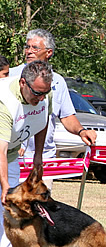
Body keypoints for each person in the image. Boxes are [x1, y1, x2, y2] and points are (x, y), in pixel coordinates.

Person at [9, 29, 97, 189]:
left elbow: (66, 117)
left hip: (43, 159)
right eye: (27, 47)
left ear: (48, 52)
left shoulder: (57, 82)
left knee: (39, 210)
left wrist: (81, 131)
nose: (29, 52)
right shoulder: (10, 76)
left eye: (35, 48)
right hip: (12, 158)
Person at [0, 60, 53, 247]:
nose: (41, 98)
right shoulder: (5, 101)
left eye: (45, 93)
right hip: (2, 151)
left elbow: (42, 123)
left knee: (11, 215)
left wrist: (38, 155)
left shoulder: (44, 94)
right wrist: (6, 188)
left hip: (10, 155)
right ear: (23, 83)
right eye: (37, 94)